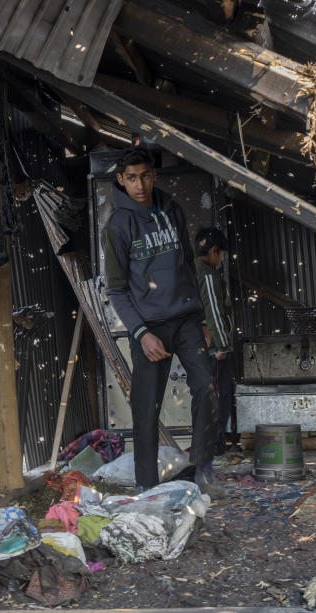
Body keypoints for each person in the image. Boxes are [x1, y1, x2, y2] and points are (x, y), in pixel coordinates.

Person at [103, 148, 224, 498]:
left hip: (186, 319)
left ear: (153, 175)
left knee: (206, 387)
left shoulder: (172, 210)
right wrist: (140, 334)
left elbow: (188, 266)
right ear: (120, 180)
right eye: (131, 178)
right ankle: (146, 485)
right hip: (150, 328)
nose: (139, 185)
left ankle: (202, 468)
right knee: (146, 405)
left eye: (145, 176)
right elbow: (116, 288)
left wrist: (200, 318)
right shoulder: (117, 226)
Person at [194, 227, 235, 457]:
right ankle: (216, 445)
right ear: (213, 251)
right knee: (219, 396)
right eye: (221, 255)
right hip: (214, 349)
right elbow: (214, 312)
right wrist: (221, 345)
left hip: (206, 347)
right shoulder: (207, 274)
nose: (222, 260)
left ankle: (213, 444)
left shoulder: (197, 269)